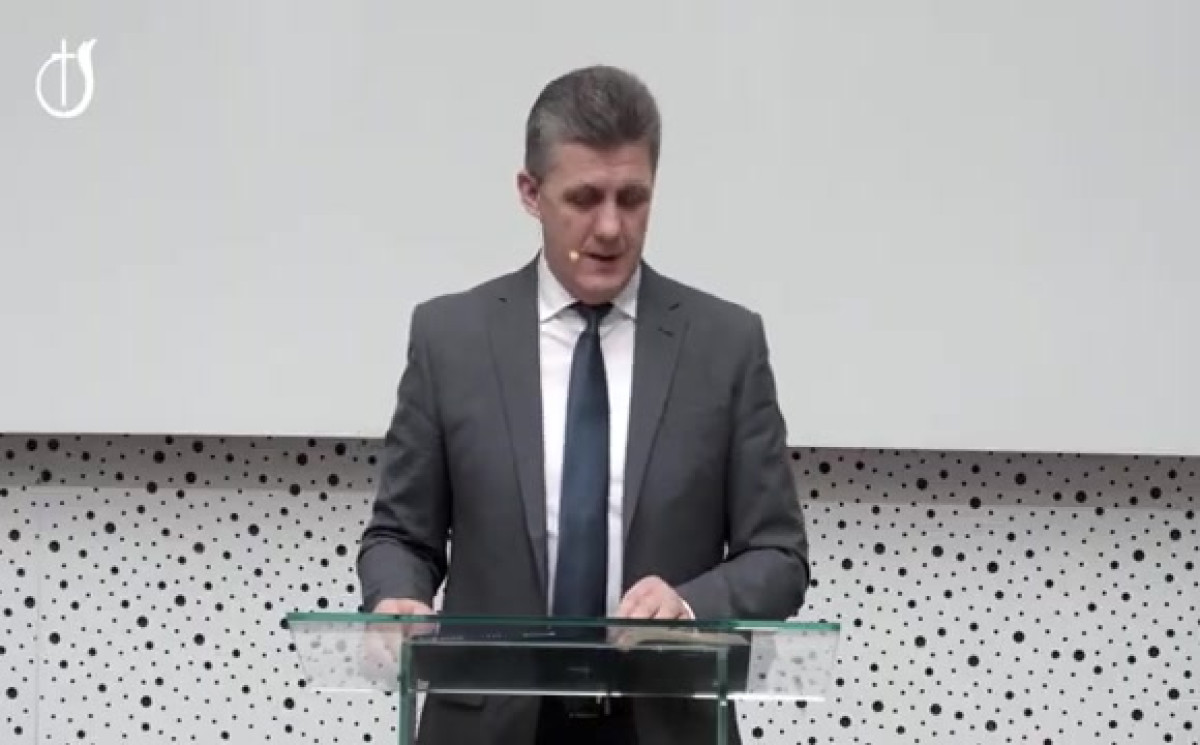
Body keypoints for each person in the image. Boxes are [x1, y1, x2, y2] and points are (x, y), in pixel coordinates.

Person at [356, 64, 810, 745]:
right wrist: (396, 595)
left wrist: (690, 605)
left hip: (662, 724)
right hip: (486, 725)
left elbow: (778, 556)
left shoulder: (726, 345)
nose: (611, 227)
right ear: (530, 193)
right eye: (585, 198)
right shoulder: (451, 338)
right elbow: (400, 535)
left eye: (633, 198)